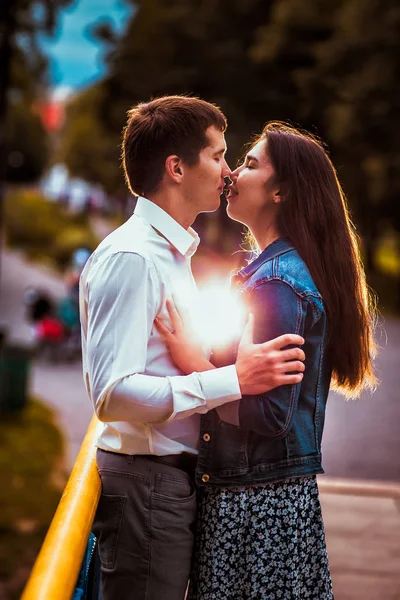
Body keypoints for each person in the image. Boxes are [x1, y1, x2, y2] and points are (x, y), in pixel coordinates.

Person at [79, 98, 305, 600]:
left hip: (163, 483)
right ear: (176, 168)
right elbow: (112, 395)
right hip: (147, 483)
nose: (227, 171)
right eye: (218, 155)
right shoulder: (135, 257)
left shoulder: (168, 251)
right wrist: (233, 381)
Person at [156, 121, 377, 599]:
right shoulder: (280, 271)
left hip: (255, 508)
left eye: (251, 164)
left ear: (281, 192)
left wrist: (197, 366)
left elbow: (269, 413)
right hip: (270, 499)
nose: (233, 172)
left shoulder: (276, 283)